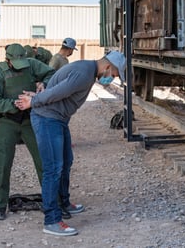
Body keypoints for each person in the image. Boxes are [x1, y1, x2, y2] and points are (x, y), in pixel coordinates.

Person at [16, 51, 126, 236]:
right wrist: (34, 101)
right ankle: (51, 220)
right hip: (47, 119)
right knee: (53, 168)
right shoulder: (84, 74)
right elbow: (57, 92)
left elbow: (54, 87)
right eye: (114, 75)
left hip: (58, 119)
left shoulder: (87, 70)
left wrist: (37, 96)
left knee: (66, 162)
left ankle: (64, 202)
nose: (112, 78)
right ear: (108, 67)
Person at [0, 43, 55, 220]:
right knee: (3, 164)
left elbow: (51, 72)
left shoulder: (31, 64)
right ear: (7, 60)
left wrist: (44, 84)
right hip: (7, 121)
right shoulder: (0, 72)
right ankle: (0, 205)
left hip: (30, 120)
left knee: (44, 161)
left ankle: (52, 203)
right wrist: (13, 105)